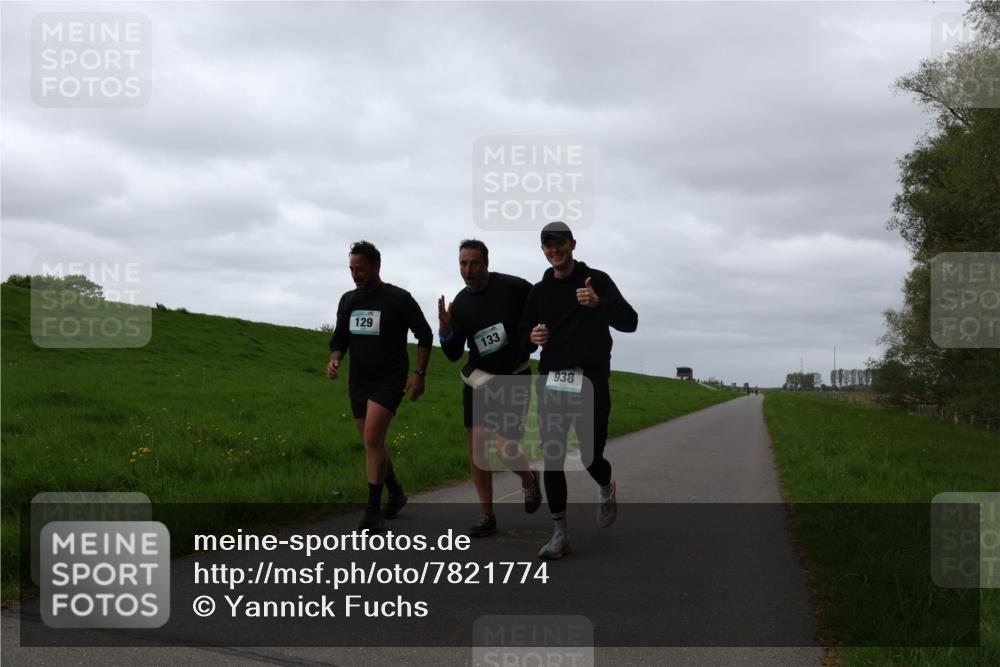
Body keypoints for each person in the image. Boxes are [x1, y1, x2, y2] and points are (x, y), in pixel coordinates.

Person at [522, 221, 638, 559]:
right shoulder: (538, 293)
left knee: (589, 455)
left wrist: (598, 303)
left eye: (560, 243)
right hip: (553, 381)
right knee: (552, 457)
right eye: (548, 245)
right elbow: (522, 335)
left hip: (591, 381)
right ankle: (560, 533)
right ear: (543, 250)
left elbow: (630, 321)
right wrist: (532, 338)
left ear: (572, 244)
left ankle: (605, 485)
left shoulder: (596, 280)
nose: (554, 250)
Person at [438, 239, 543, 537]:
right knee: (477, 450)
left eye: (474, 263)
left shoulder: (514, 287)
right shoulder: (461, 304)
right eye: (463, 263)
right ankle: (487, 515)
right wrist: (446, 330)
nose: (467, 270)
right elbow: (453, 353)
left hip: (514, 377)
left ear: (486, 264)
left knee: (505, 448)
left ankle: (528, 478)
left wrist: (534, 335)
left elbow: (540, 306)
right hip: (480, 379)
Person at [327, 241, 433, 531]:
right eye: (351, 269)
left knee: (373, 436)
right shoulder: (348, 300)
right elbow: (339, 340)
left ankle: (372, 510)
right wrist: (334, 359)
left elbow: (424, 335)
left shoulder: (398, 298)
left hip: (390, 379)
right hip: (359, 380)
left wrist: (420, 373)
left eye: (360, 269)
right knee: (372, 442)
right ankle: (396, 492)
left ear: (376, 266)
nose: (355, 274)